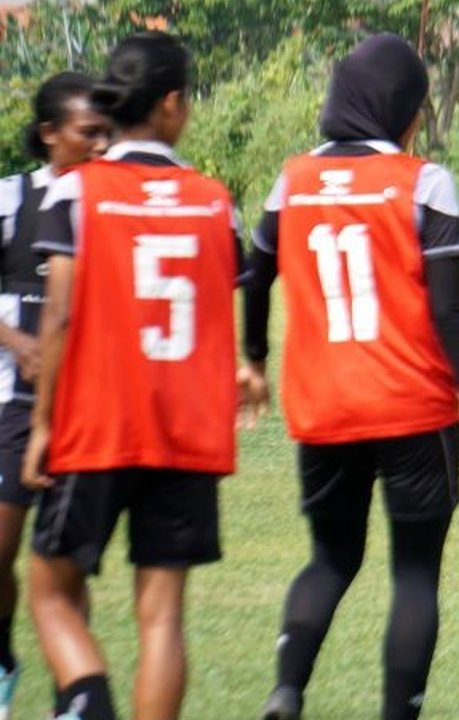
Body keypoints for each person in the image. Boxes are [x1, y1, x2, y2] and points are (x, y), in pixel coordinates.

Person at [238, 35, 459, 720]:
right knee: (414, 572)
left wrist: (255, 360)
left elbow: (255, 278)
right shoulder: (423, 181)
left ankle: (286, 689)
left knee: (329, 559)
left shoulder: (292, 179)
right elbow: (448, 310)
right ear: (405, 112)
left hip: (323, 407)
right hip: (413, 407)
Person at [21, 32, 247, 720]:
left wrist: (42, 424)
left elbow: (58, 316)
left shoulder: (76, 191)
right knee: (162, 616)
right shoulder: (215, 201)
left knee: (48, 591)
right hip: (186, 432)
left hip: (98, 426)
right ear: (172, 104)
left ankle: (88, 700)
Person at [0, 71, 109, 718]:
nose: (100, 145)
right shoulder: (13, 200)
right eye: (87, 132)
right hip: (14, 404)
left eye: (107, 133)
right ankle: (4, 659)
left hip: (84, 409)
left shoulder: (108, 205)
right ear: (49, 133)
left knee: (63, 565)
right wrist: (19, 341)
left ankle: (72, 700)